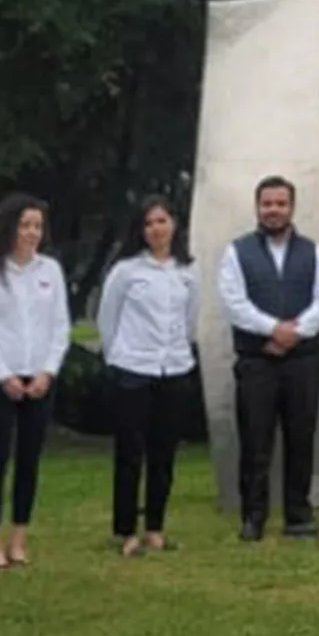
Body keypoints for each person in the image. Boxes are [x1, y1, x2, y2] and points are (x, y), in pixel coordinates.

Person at [216, 176, 319, 542]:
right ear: (257, 207)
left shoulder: (313, 252)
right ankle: (254, 518)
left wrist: (293, 333)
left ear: (292, 208)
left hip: (303, 361)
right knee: (255, 440)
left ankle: (299, 515)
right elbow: (234, 304)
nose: (273, 210)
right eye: (267, 203)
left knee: (301, 437)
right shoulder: (237, 252)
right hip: (257, 361)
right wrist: (273, 329)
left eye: (280, 203)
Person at [0, 193, 70, 570]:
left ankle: (18, 540)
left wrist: (48, 371)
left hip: (40, 378)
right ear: (9, 227)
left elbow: (60, 326)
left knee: (29, 460)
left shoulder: (51, 271)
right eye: (25, 225)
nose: (31, 233)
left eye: (37, 227)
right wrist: (4, 375)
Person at [97, 196, 200, 557]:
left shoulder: (187, 272)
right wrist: (118, 359)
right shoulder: (126, 271)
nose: (156, 229)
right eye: (149, 223)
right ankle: (125, 531)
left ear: (174, 225)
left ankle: (155, 527)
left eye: (162, 221)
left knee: (164, 453)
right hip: (133, 370)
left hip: (174, 369)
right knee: (130, 453)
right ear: (141, 230)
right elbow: (107, 320)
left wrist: (177, 353)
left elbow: (189, 321)